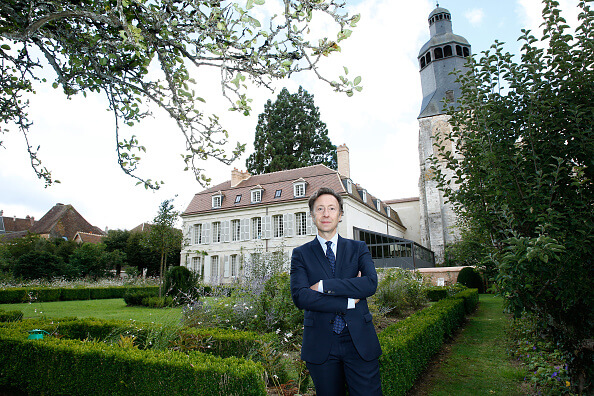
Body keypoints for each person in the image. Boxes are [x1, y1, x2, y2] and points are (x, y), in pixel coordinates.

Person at [290, 187, 382, 396]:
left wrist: (323, 286)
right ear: (312, 216)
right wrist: (348, 301)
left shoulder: (359, 248)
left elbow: (369, 284)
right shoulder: (300, 254)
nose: (326, 213)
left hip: (359, 340)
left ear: (340, 215)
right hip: (321, 344)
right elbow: (301, 296)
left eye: (332, 208)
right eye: (320, 208)